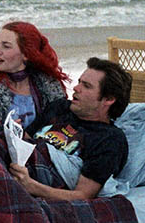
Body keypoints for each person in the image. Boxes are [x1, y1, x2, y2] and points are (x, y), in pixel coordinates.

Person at [9, 57, 132, 201]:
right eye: (79, 82)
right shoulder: (60, 107)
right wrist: (14, 131)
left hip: (41, 176)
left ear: (108, 99)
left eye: (86, 86)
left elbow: (83, 195)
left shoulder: (109, 139)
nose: (76, 87)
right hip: (19, 162)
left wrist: (32, 186)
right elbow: (27, 139)